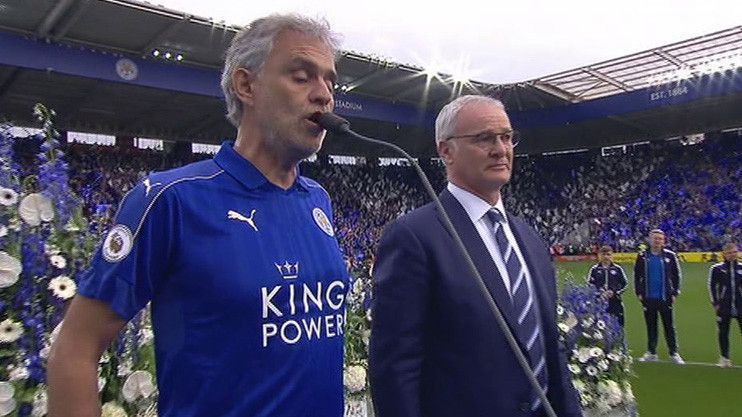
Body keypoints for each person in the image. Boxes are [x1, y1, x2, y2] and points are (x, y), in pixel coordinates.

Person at [48, 14, 349, 417]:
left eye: (330, 81)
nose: (324, 95)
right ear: (247, 86)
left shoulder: (318, 200)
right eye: (302, 76)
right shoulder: (170, 200)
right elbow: (75, 350)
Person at [369, 95, 581, 417]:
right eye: (484, 138)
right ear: (446, 150)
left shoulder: (530, 238)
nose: (501, 149)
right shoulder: (414, 236)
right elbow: (395, 368)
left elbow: (551, 350)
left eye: (507, 137)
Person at [634, 229, 685, 364]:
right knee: (651, 326)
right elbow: (637, 275)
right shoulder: (643, 256)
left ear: (664, 241)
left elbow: (676, 276)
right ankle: (651, 352)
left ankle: (673, 352)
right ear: (649, 240)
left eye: (660, 239)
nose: (657, 241)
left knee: (669, 326)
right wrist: (639, 292)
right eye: (655, 238)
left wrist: (675, 293)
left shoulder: (670, 256)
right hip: (648, 297)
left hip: (665, 297)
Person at [708, 242, 741, 368]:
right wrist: (715, 303)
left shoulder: (741, 268)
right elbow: (711, 286)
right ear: (724, 254)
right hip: (724, 306)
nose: (732, 255)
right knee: (723, 332)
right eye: (729, 253)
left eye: (734, 252)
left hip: (740, 305)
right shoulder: (717, 268)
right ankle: (724, 358)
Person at [587, 245, 628, 327]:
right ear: (599, 256)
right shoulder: (594, 269)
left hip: (615, 302)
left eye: (608, 254)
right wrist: (599, 294)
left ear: (612, 256)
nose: (606, 257)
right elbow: (589, 285)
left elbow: (625, 284)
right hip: (599, 303)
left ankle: (619, 339)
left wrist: (615, 292)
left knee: (618, 326)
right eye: (603, 254)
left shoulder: (617, 269)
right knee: (599, 327)